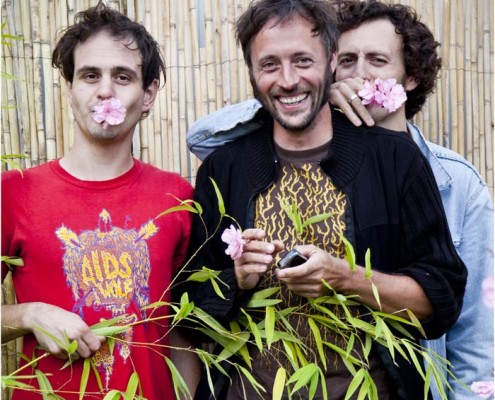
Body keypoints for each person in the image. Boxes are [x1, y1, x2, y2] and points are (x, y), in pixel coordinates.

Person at [185, 1, 494, 399]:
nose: (288, 79)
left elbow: (442, 300)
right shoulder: (224, 169)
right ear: (251, 72)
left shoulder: (396, 160)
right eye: (269, 65)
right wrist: (238, 280)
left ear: (331, 62)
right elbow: (190, 315)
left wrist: (345, 278)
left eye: (303, 60)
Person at [1, 3, 200, 399]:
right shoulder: (13, 192)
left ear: (148, 95)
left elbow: (183, 329)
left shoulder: (178, 198)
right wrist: (28, 315)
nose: (105, 90)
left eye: (122, 77)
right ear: (71, 90)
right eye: (90, 75)